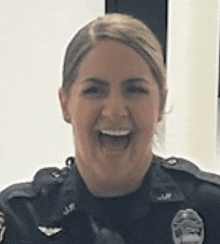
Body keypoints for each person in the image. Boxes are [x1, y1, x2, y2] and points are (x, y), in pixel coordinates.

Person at [0, 13, 220, 244]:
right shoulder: (20, 221)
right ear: (65, 103)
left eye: (135, 89)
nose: (115, 111)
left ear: (161, 104)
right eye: (94, 90)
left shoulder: (211, 211)